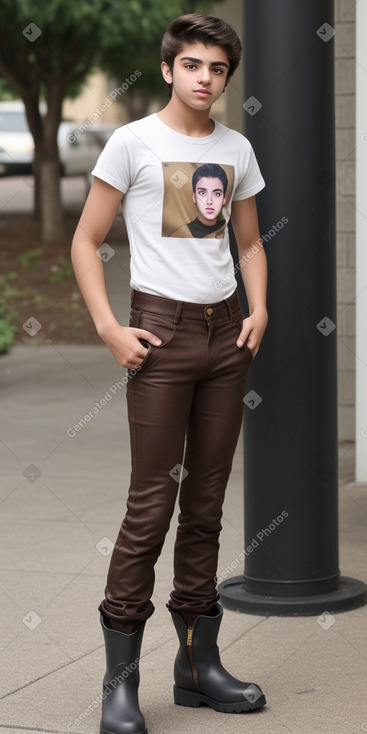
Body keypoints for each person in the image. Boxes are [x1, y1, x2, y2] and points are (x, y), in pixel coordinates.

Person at [71, 12, 268, 734]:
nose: (204, 79)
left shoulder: (235, 148)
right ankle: (119, 685)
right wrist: (107, 328)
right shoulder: (132, 143)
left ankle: (196, 667)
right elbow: (86, 240)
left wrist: (261, 310)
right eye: (192, 65)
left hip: (224, 338)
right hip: (159, 334)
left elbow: (249, 245)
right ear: (167, 69)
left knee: (207, 507)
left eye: (217, 69)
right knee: (150, 507)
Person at [171, 162, 228, 238]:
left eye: (216, 194)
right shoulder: (181, 232)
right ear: (194, 197)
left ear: (224, 199)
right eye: (202, 193)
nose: (209, 201)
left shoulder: (224, 228)